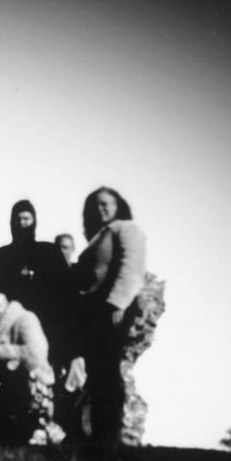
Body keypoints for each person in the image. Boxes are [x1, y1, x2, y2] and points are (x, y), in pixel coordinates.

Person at [72, 186, 147, 444]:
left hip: (111, 310)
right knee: (97, 372)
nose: (100, 209)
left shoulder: (127, 228)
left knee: (108, 374)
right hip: (94, 311)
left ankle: (109, 439)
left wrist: (118, 304)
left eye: (106, 203)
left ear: (118, 206)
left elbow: (132, 267)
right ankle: (98, 436)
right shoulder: (100, 235)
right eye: (95, 205)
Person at [0, 200, 77, 368]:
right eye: (16, 220)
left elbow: (68, 293)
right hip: (11, 331)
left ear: (34, 221)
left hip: (49, 327)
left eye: (26, 219)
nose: (21, 224)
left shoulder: (49, 252)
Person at [0, 288, 64, 445]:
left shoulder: (25, 319)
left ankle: (40, 427)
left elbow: (36, 352)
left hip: (32, 379)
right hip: (1, 381)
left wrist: (1, 352)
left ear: (6, 305)